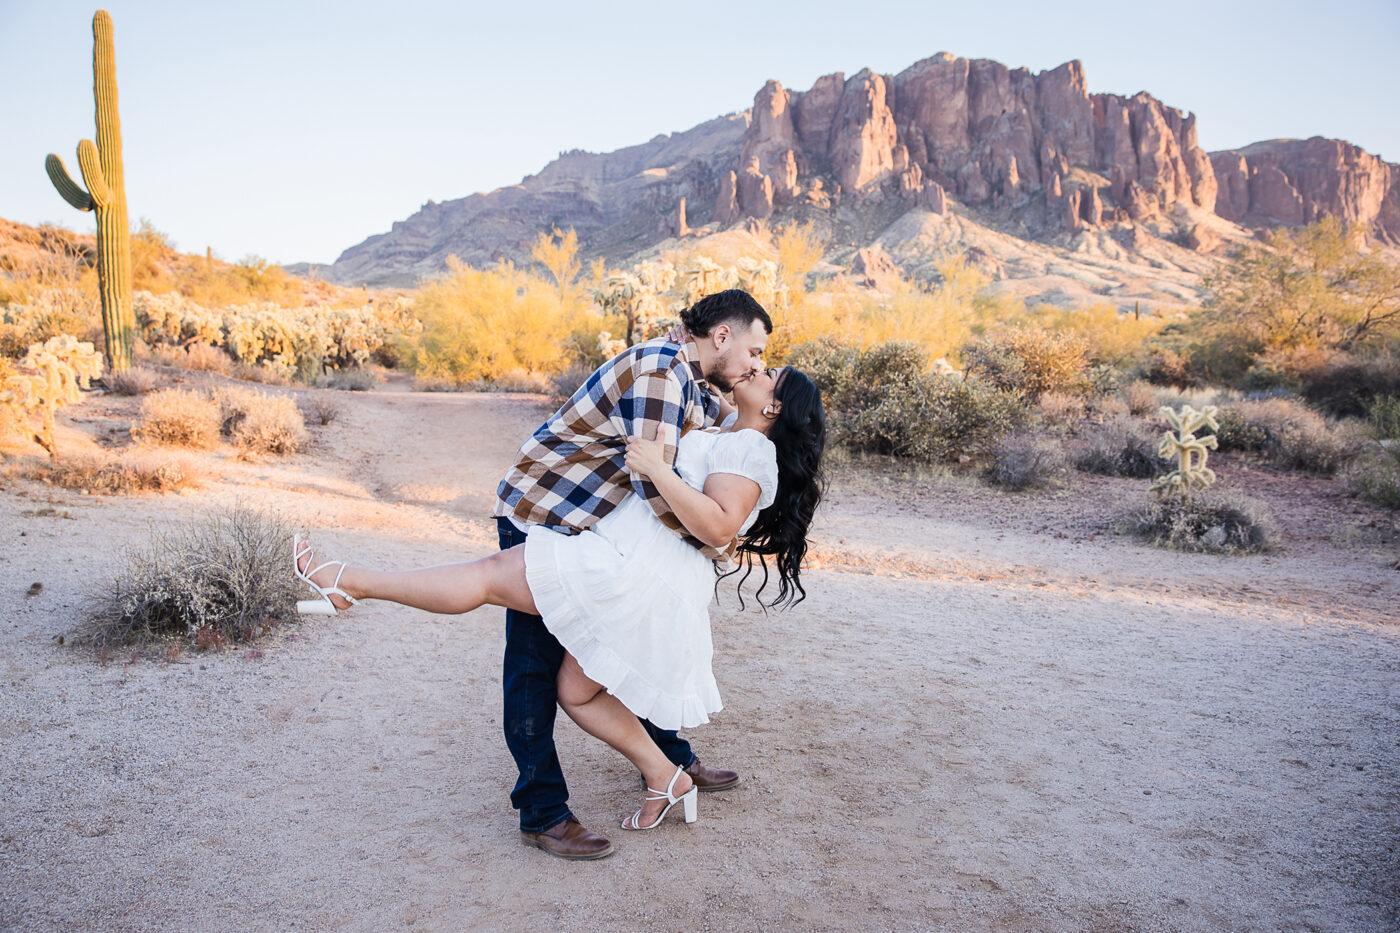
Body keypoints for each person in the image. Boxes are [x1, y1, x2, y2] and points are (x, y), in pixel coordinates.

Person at [295, 291, 823, 859]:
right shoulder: (663, 372)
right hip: (549, 516)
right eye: (755, 351)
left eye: (765, 366)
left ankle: (667, 765)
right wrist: (710, 540)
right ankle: (553, 807)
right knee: (539, 667)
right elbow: (672, 481)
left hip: (601, 543)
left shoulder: (695, 384)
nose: (755, 365)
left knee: (570, 647)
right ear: (722, 337)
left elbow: (725, 465)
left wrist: (714, 538)